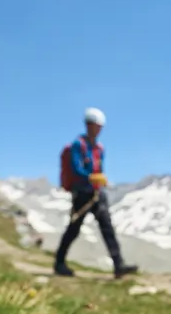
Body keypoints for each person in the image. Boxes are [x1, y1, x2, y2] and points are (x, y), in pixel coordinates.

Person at [53, 107, 139, 279]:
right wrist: (91, 177)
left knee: (107, 228)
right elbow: (77, 169)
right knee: (74, 228)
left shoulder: (99, 148)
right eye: (95, 125)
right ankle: (59, 262)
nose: (98, 129)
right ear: (88, 125)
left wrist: (100, 181)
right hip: (82, 194)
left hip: (97, 193)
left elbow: (100, 168)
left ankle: (118, 265)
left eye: (99, 126)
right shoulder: (79, 145)